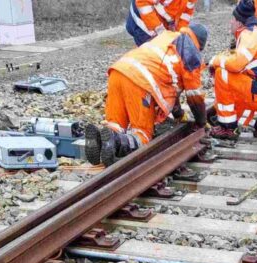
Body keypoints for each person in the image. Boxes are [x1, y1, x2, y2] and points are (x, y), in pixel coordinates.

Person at [85, 24, 208, 165]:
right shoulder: (191, 54)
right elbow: (194, 96)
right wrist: (201, 123)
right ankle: (117, 141)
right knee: (142, 134)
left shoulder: (167, 36)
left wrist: (179, 114)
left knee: (116, 123)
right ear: (200, 45)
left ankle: (104, 140)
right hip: (140, 81)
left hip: (118, 70)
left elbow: (173, 88)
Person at [208, 1, 257, 142]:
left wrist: (215, 60)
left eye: (233, 19)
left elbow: (236, 64)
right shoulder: (255, 33)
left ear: (239, 22)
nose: (230, 22)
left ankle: (228, 128)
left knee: (222, 73)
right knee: (235, 78)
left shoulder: (248, 35)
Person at [126, 0, 195, 47]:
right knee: (153, 53)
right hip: (142, 20)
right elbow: (143, 3)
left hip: (162, 20)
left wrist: (179, 34)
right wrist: (161, 32)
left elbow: (185, 14)